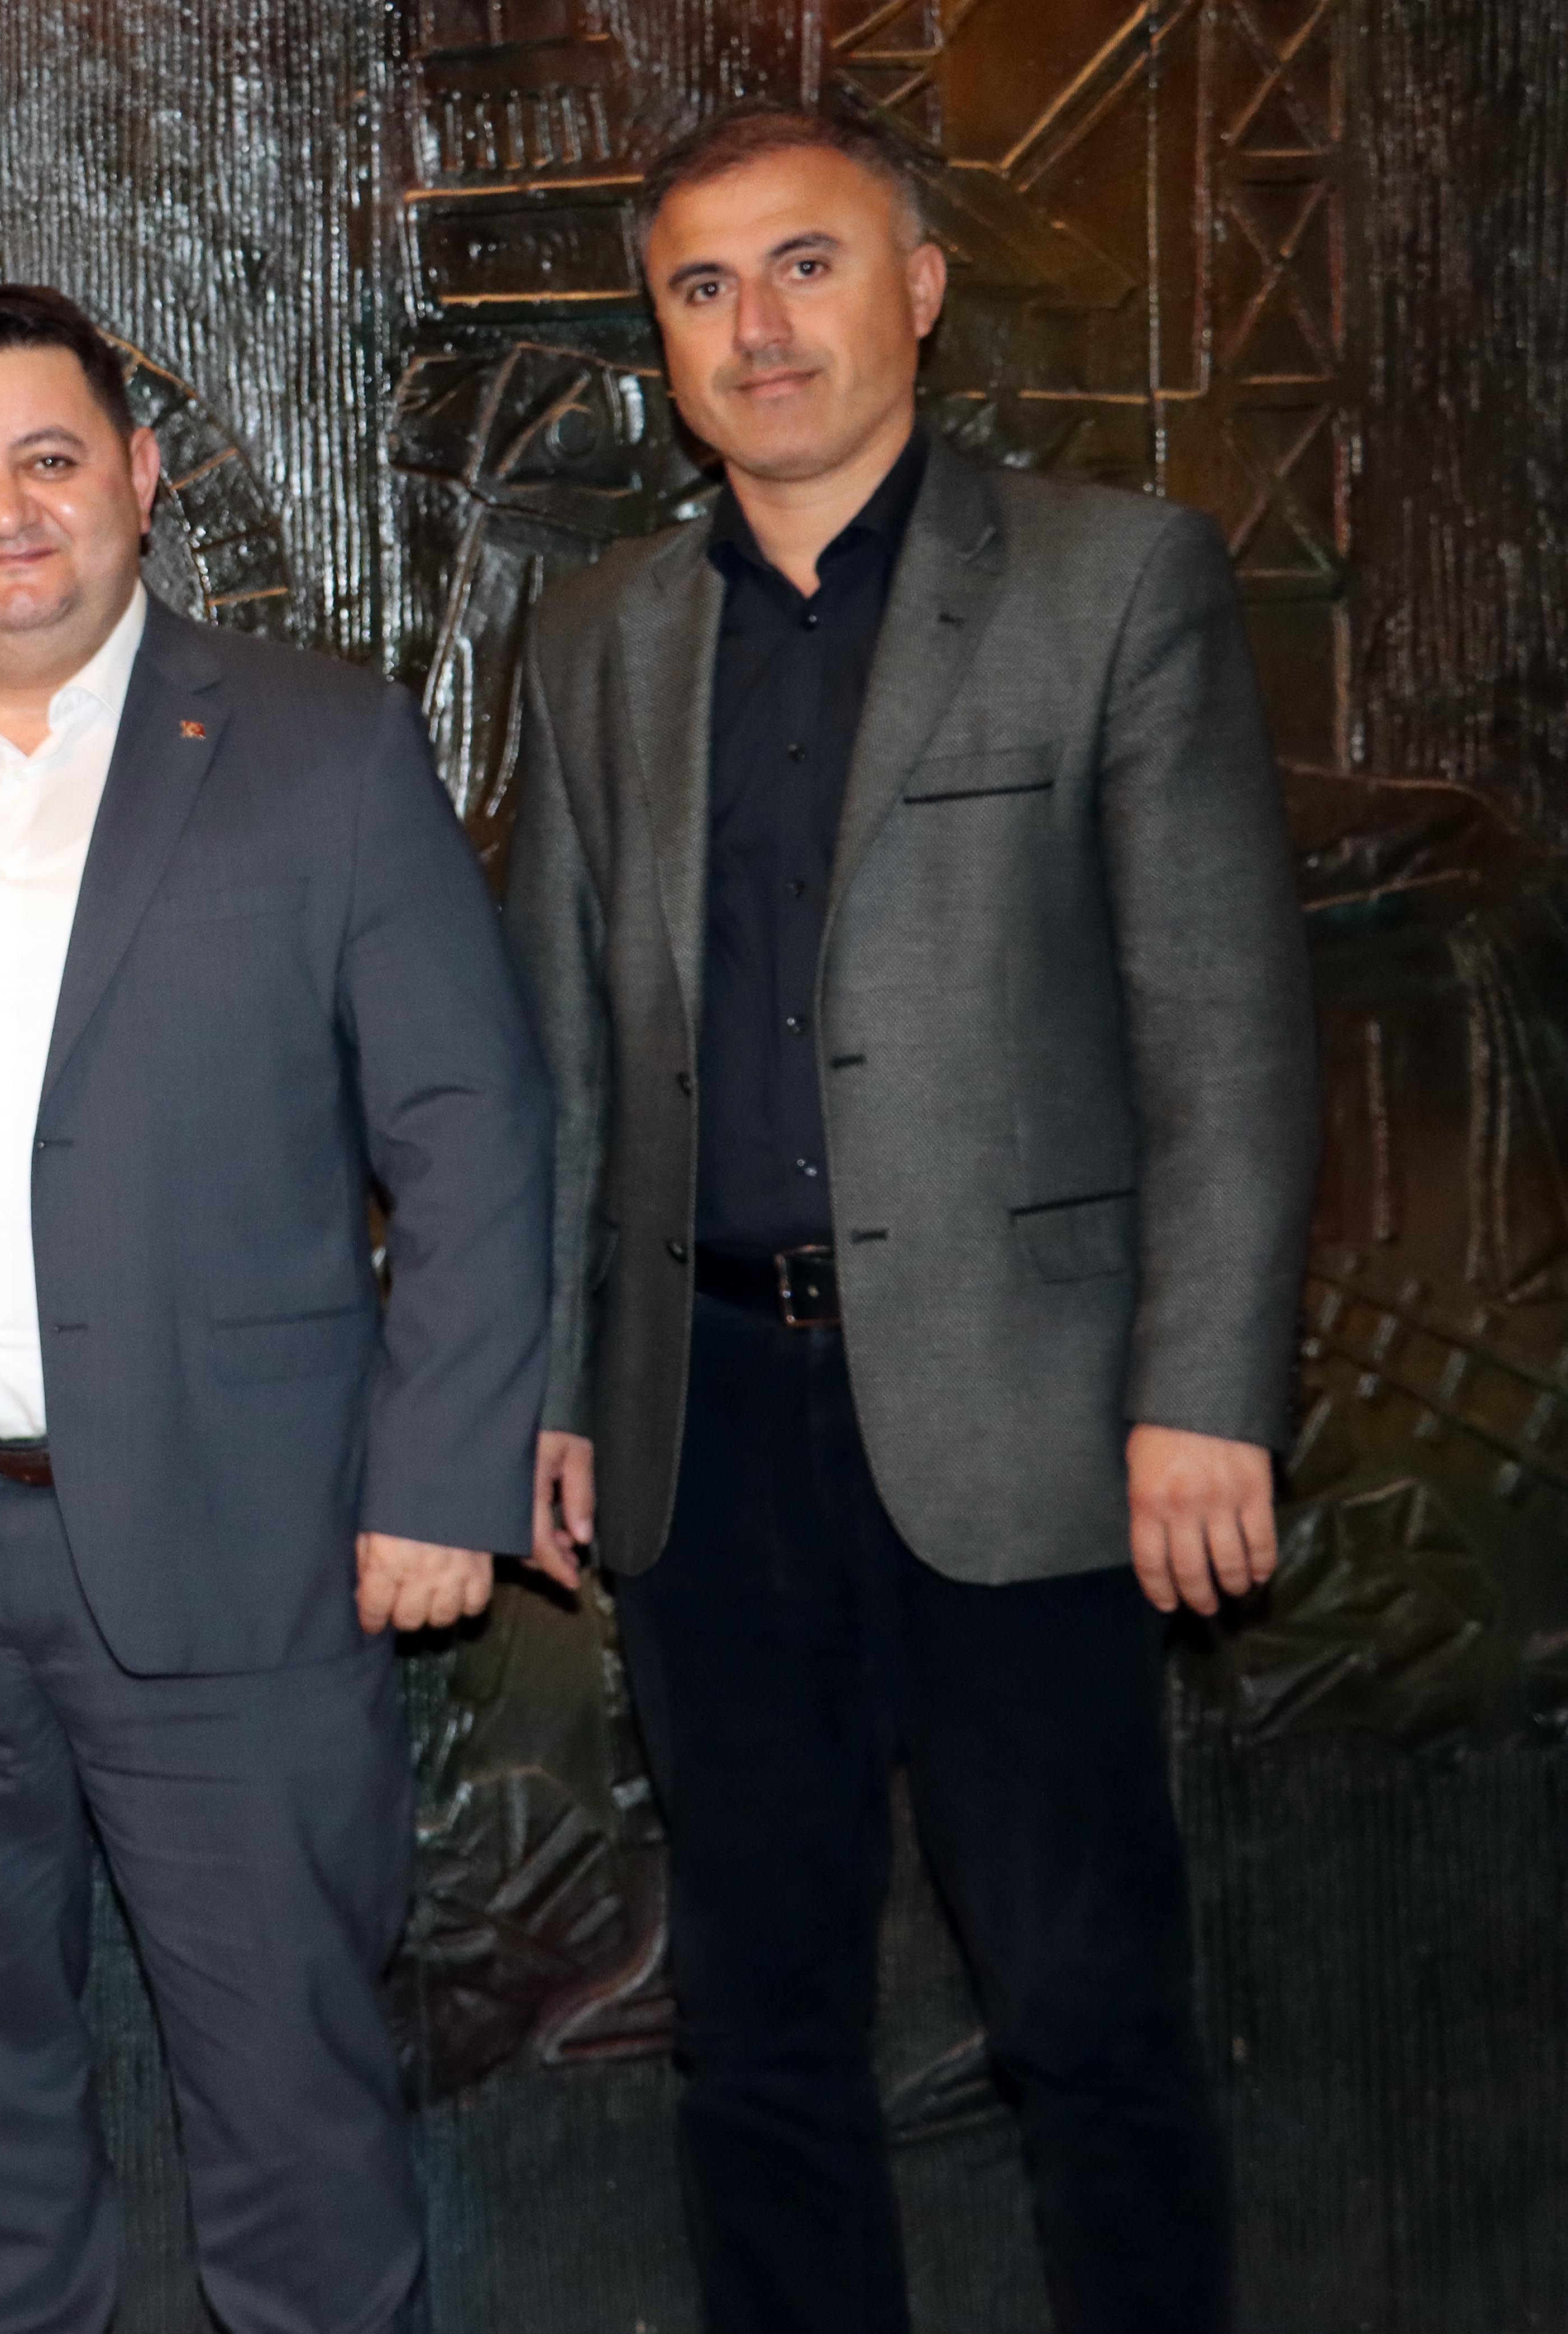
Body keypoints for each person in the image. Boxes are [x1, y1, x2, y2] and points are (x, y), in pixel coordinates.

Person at [501, 103, 1318, 2334]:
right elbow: (559, 1048)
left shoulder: (1107, 581)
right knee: (756, 2037)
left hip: (1030, 1422)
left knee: (1084, 2016)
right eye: (701, 286)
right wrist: (550, 1389)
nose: (756, 326)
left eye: (807, 263)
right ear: (661, 335)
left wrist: (1203, 1394)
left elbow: (1223, 1025)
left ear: (919, 289)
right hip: (702, 1430)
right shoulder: (596, 639)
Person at [0, 283, 554, 2334]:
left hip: (245, 1548)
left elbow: (471, 1126)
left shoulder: (323, 743)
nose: (7, 513)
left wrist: (444, 1475)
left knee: (298, 2135)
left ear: (140, 479)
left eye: (50, 460)